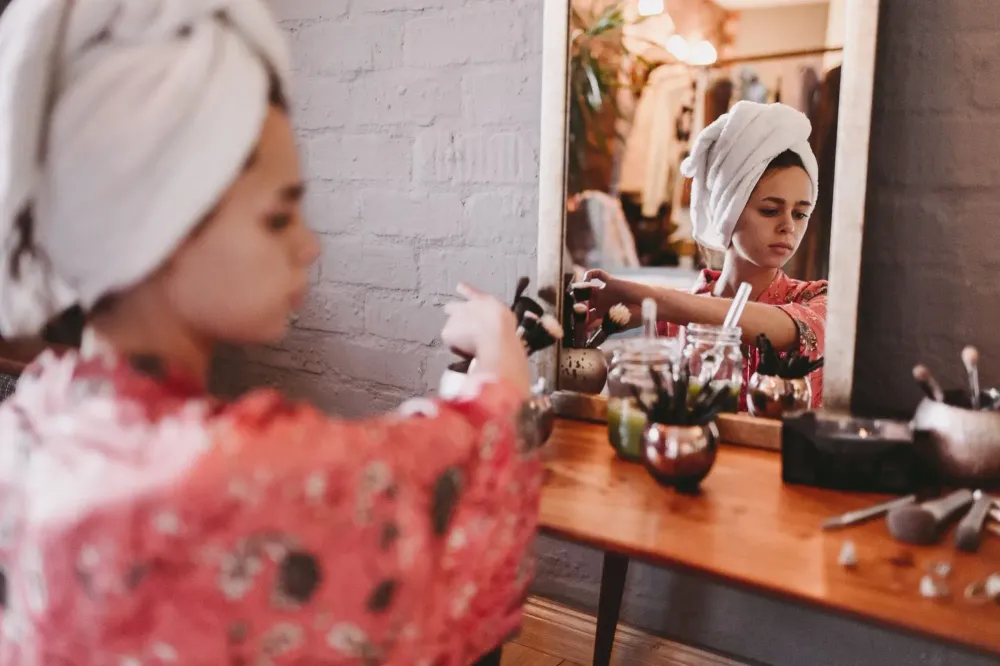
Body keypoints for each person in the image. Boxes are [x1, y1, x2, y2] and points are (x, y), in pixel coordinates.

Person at [0, 1, 539, 664]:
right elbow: (440, 491)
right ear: (161, 230)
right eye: (277, 219)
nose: (309, 246)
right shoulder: (228, 480)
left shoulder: (28, 427)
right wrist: (502, 384)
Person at [587, 102, 827, 410]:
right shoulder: (669, 325)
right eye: (770, 210)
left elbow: (784, 330)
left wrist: (648, 298)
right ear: (727, 210)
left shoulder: (818, 299)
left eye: (801, 213)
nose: (788, 226)